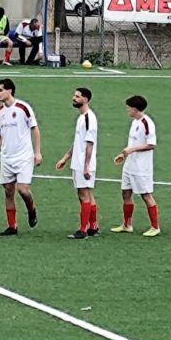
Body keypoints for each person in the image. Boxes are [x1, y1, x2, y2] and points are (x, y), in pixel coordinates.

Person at [0, 78, 41, 235]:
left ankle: (31, 209)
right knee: (8, 191)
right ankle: (12, 226)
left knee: (23, 190)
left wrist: (37, 152)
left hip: (24, 156)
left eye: (0, 90)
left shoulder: (23, 108)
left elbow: (35, 129)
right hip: (6, 157)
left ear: (9, 91)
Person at [111, 95, 159, 236]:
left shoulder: (147, 123)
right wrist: (124, 154)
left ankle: (155, 227)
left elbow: (151, 144)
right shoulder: (134, 122)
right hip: (129, 164)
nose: (127, 110)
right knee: (125, 193)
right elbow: (133, 143)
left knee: (145, 195)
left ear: (135, 108)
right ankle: (127, 225)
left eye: (128, 108)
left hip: (141, 167)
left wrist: (131, 150)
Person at [55, 87, 99, 240]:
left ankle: (83, 230)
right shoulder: (82, 118)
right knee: (88, 194)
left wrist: (86, 166)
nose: (74, 98)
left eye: (77, 96)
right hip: (79, 162)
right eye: (74, 95)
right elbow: (78, 142)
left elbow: (89, 144)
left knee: (83, 195)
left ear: (85, 99)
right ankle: (93, 226)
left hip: (83, 164)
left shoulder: (89, 118)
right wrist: (65, 158)